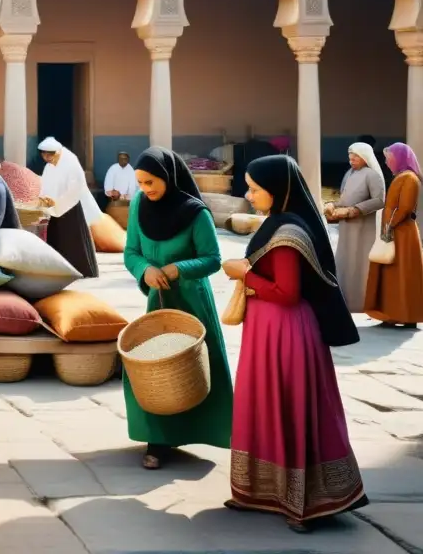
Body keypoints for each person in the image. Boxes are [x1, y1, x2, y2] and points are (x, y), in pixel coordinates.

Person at [223, 154, 365, 532]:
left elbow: (286, 292)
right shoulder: (278, 222)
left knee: (288, 408)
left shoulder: (288, 234)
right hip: (269, 332)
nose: (248, 195)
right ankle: (262, 491)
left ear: (278, 190)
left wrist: (245, 274)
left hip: (286, 334)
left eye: (255, 188)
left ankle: (300, 502)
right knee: (265, 406)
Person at [123, 147, 233, 470]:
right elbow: (130, 251)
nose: (146, 189)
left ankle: (203, 430)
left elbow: (213, 259)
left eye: (151, 182)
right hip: (157, 302)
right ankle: (157, 439)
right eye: (141, 183)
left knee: (195, 368)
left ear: (168, 177)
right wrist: (145, 269)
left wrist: (177, 269)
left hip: (192, 302)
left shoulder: (195, 213)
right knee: (153, 370)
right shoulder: (138, 206)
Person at [365, 143, 423, 328]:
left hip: (402, 234)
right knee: (392, 276)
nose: (386, 162)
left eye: (389, 158)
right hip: (395, 231)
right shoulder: (402, 177)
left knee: (403, 275)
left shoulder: (409, 178)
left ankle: (407, 315)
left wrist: (389, 226)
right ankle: (392, 314)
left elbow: (404, 208)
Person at [326, 142, 386, 312]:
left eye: (355, 156)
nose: (351, 159)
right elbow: (345, 198)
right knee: (346, 262)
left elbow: (379, 200)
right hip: (347, 227)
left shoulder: (372, 175)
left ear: (365, 157)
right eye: (350, 156)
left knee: (360, 263)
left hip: (363, 228)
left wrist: (354, 210)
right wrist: (333, 205)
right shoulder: (349, 173)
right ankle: (345, 301)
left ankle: (362, 302)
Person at [36, 136, 99, 278]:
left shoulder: (71, 163)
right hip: (54, 209)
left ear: (57, 152)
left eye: (49, 154)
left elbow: (75, 188)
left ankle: (82, 271)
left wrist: (58, 202)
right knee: (56, 238)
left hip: (72, 208)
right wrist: (44, 198)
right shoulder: (49, 166)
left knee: (73, 240)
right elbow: (45, 184)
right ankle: (59, 270)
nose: (46, 158)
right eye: (44, 154)